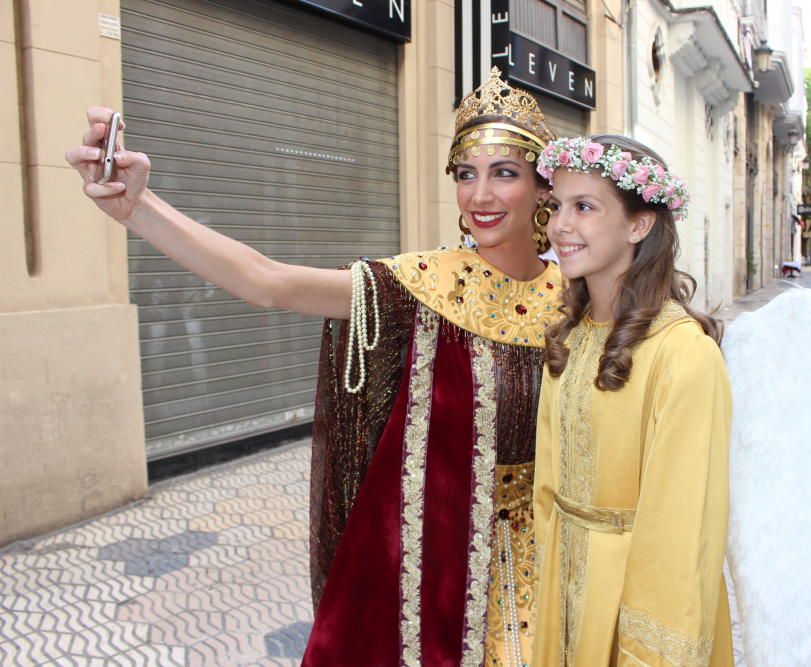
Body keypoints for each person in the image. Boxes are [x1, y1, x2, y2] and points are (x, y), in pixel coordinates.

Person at [66, 68, 561, 665]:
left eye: (504, 173)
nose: (480, 196)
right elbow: (269, 283)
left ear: (542, 186)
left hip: (561, 555)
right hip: (441, 562)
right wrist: (137, 208)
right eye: (466, 174)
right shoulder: (425, 286)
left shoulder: (578, 297)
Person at [530, 136, 733, 665]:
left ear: (639, 225)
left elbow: (684, 531)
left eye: (584, 207)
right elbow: (547, 489)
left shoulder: (684, 354)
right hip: (563, 590)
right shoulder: (569, 339)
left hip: (631, 602)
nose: (560, 226)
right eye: (556, 206)